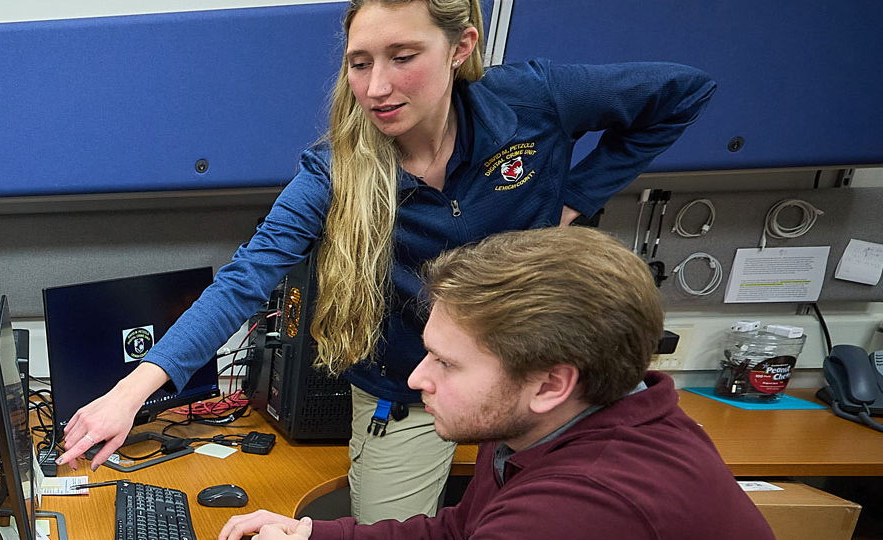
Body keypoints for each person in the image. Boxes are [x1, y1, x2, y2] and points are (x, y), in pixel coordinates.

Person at [57, 0, 716, 522]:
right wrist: (127, 396)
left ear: (461, 49)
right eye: (359, 62)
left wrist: (572, 201)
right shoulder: (335, 171)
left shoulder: (534, 100)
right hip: (411, 389)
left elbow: (683, 94)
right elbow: (243, 283)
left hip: (534, 378)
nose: (377, 87)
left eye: (403, 57)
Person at [214, 227, 774, 540]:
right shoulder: (535, 426)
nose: (417, 378)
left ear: (551, 383)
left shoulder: (581, 509)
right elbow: (461, 529)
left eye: (446, 363)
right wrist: (311, 536)